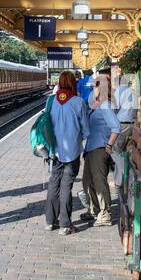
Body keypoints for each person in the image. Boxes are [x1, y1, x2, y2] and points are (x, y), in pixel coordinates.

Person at [45, 71, 90, 236]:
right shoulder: (78, 102)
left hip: (54, 150)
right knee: (66, 186)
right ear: (73, 83)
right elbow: (86, 130)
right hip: (71, 152)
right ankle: (65, 224)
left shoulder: (51, 101)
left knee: (53, 183)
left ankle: (50, 221)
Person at [81, 76, 121, 227]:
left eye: (94, 87)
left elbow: (116, 127)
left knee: (99, 182)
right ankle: (94, 210)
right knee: (87, 182)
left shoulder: (106, 106)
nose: (92, 90)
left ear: (100, 88)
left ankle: (105, 214)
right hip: (91, 147)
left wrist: (109, 146)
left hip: (100, 148)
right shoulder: (97, 105)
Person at [111, 78, 138, 216]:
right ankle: (126, 179)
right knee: (128, 154)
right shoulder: (133, 92)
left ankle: (120, 181)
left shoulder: (118, 92)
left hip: (121, 125)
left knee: (115, 152)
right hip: (132, 125)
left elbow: (113, 109)